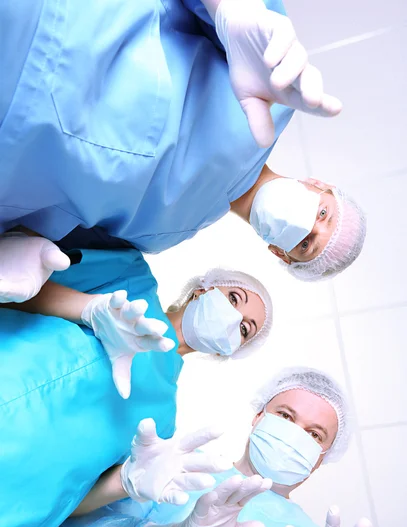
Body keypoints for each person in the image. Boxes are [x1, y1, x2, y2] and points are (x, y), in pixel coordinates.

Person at [0, 0, 365, 302]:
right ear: (317, 184)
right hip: (42, 24)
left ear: (279, 253)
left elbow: (47, 229)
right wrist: (232, 8)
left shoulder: (160, 237)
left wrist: (18, 247)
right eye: (322, 214)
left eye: (305, 244)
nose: (307, 226)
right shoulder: (272, 93)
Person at [0, 246, 273, 527]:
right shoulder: (129, 276)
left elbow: (74, 506)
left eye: (245, 329)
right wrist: (87, 309)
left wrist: (128, 482)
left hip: (11, 507)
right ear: (204, 288)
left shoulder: (161, 425)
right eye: (233, 299)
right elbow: (15, 282)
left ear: (228, 352)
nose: (234, 320)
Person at [35, 367, 379, 527]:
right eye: (286, 416)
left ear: (321, 458)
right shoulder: (181, 471)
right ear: (259, 417)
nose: (293, 434)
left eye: (314, 434)